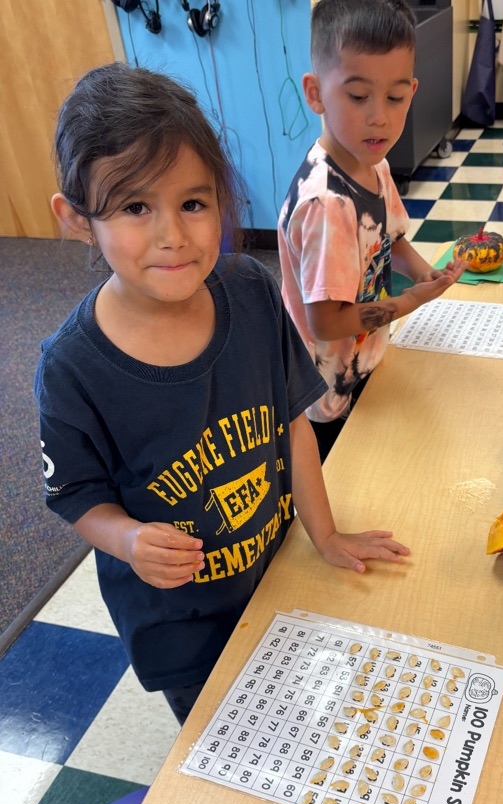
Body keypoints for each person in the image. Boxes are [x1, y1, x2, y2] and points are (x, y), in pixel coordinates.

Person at [36, 62, 409, 725]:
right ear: (75, 218)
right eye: (133, 207)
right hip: (181, 624)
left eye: (193, 202)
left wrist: (321, 534)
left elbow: (292, 420)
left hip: (271, 571)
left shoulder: (251, 290)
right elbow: (77, 496)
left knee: (303, 724)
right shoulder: (71, 368)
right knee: (228, 740)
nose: (172, 235)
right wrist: (126, 541)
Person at [278, 0, 466, 461]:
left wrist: (425, 274)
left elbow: (391, 239)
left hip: (364, 363)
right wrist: (409, 301)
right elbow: (326, 321)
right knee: (346, 489)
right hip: (324, 394)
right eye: (358, 97)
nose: (379, 116)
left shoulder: (371, 164)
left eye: (396, 97)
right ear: (316, 92)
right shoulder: (327, 204)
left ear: (413, 91)